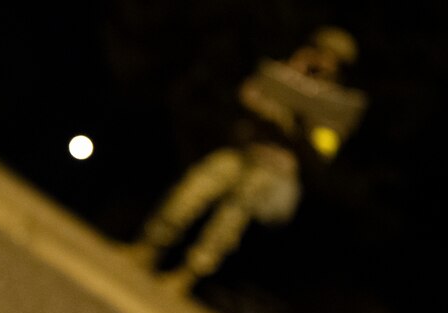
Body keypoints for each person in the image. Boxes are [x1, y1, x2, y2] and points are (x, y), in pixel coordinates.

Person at [132, 27, 367, 292]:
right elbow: (248, 93)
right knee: (190, 192)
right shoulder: (284, 72)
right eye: (320, 51)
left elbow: (324, 150)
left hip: (273, 168)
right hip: (241, 150)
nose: (322, 60)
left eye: (331, 57)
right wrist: (288, 79)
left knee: (230, 221)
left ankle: (187, 274)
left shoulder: (335, 108)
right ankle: (148, 247)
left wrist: (298, 126)